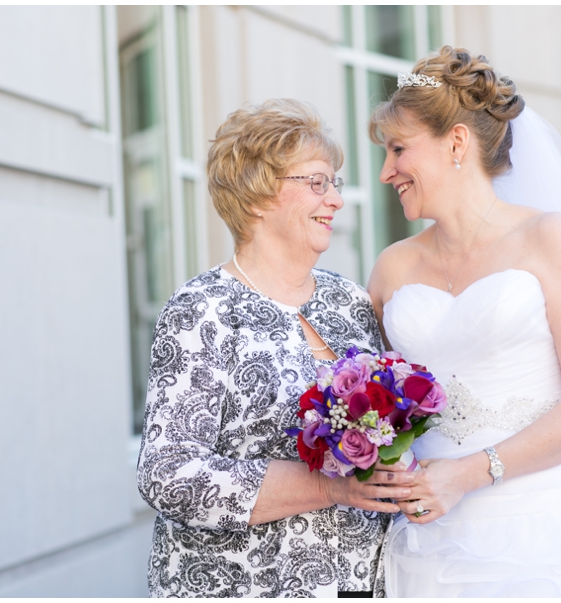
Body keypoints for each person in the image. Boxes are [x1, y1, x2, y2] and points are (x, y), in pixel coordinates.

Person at [367, 46, 561, 597]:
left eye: (398, 149)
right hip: (430, 544)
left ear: (457, 142)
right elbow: (378, 398)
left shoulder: (550, 239)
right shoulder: (392, 266)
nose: (385, 171)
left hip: (554, 532)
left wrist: (465, 475)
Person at [137, 99, 410, 598]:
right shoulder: (203, 309)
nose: (335, 200)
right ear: (258, 193)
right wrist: (331, 487)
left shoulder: (348, 302)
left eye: (335, 184)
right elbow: (167, 473)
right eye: (316, 182)